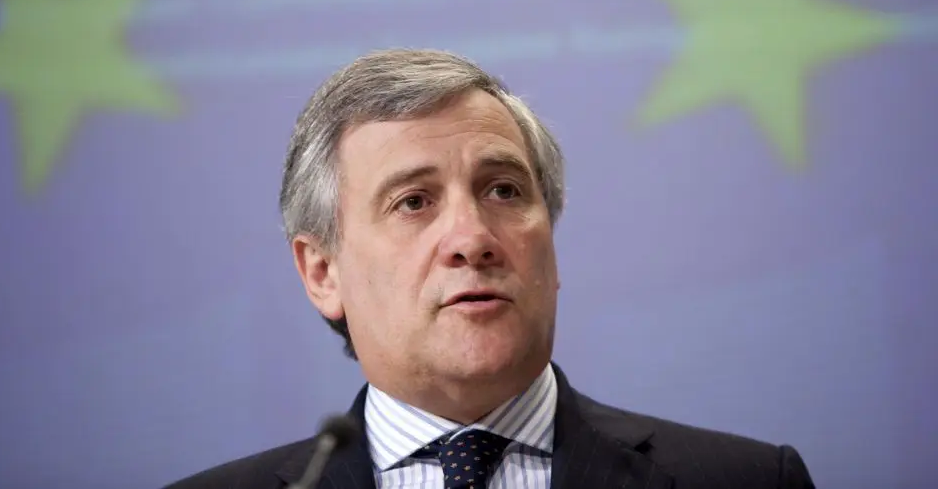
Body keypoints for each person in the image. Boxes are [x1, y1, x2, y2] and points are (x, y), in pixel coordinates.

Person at [165, 49, 816, 489]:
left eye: (503, 191)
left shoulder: (748, 481)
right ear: (322, 272)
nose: (472, 238)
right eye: (413, 202)